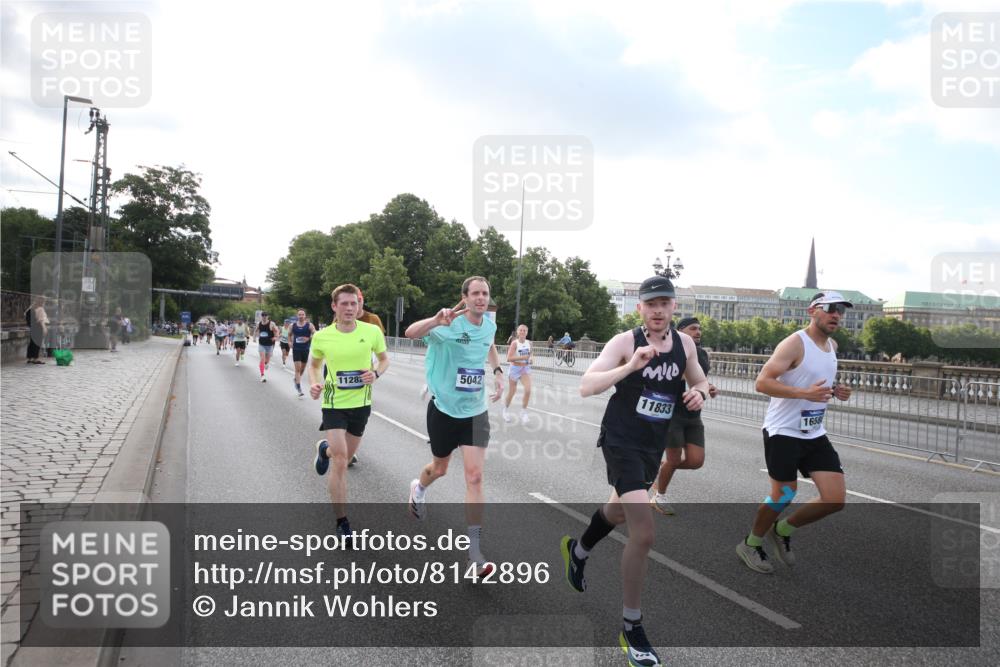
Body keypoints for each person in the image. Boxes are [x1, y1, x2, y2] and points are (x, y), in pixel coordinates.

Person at [559, 276, 709, 667]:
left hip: (651, 444)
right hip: (621, 440)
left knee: (618, 511)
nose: (658, 310)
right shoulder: (625, 342)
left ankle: (578, 550)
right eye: (650, 304)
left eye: (665, 303)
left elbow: (700, 380)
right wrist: (628, 367)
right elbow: (586, 386)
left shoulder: (686, 344)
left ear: (674, 306)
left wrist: (700, 393)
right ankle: (632, 627)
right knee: (643, 531)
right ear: (639, 308)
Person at [735, 291, 853, 574]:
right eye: (830, 309)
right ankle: (751, 544)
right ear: (813, 310)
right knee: (784, 494)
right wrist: (803, 393)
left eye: (841, 311)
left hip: (813, 432)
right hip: (783, 431)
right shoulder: (794, 343)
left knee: (835, 499)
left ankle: (783, 529)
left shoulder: (832, 345)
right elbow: (762, 383)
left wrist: (837, 392)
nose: (836, 315)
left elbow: (814, 384)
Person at [405, 276, 503, 577]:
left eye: (485, 294)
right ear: (464, 297)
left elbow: (489, 345)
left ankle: (475, 554)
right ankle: (418, 488)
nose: (481, 299)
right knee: (440, 468)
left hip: (475, 411)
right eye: (475, 294)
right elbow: (410, 333)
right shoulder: (446, 325)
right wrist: (435, 320)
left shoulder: (489, 325)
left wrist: (498, 371)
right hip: (444, 409)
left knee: (475, 477)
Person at [309, 284, 389, 545]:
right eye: (344, 304)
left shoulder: (372, 331)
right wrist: (314, 383)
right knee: (342, 462)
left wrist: (375, 373)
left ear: (359, 305)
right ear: (334, 306)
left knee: (347, 454)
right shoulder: (323, 336)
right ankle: (342, 521)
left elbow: (384, 359)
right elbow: (315, 365)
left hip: (361, 404)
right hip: (333, 404)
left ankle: (325, 450)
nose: (349, 308)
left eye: (353, 304)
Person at [650, 316, 719, 515]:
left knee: (696, 461)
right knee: (673, 458)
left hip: (693, 415)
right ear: (680, 332)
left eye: (699, 329)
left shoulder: (703, 355)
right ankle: (659, 496)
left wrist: (709, 388)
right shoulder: (671, 351)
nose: (698, 332)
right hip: (672, 414)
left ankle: (662, 470)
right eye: (693, 329)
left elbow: (701, 380)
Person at [502, 324, 533, 425]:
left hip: (525, 369)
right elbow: (509, 358)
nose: (523, 332)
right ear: (518, 332)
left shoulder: (529, 343)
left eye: (525, 330)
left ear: (527, 332)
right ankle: (505, 410)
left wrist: (531, 359)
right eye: (521, 330)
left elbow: (530, 355)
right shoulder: (514, 343)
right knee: (512, 392)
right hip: (515, 369)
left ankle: (523, 412)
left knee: (528, 390)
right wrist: (522, 357)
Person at [290, 309, 317, 396]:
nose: (301, 316)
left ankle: (296, 380)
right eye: (299, 314)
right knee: (297, 369)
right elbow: (289, 334)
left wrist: (309, 338)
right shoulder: (293, 325)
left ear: (305, 316)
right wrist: (290, 342)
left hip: (305, 349)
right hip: (296, 349)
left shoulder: (309, 325)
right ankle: (298, 388)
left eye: (302, 314)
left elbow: (315, 334)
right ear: (297, 316)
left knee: (302, 369)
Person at [255, 312, 281, 382]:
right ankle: (262, 375)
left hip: (270, 344)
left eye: (265, 315)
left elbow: (277, 331)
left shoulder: (271, 324)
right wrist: (255, 337)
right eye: (263, 315)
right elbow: (256, 330)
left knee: (267, 360)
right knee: (262, 359)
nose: (264, 317)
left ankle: (266, 363)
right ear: (261, 316)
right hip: (262, 344)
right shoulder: (259, 323)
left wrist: (276, 337)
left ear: (268, 316)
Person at [25, 295, 48, 364]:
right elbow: (41, 320)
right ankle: (35, 359)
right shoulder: (40, 309)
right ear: (42, 302)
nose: (45, 303)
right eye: (44, 302)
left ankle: (30, 358)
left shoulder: (32, 308)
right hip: (38, 327)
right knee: (37, 343)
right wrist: (44, 328)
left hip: (32, 327)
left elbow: (25, 313)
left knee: (32, 342)